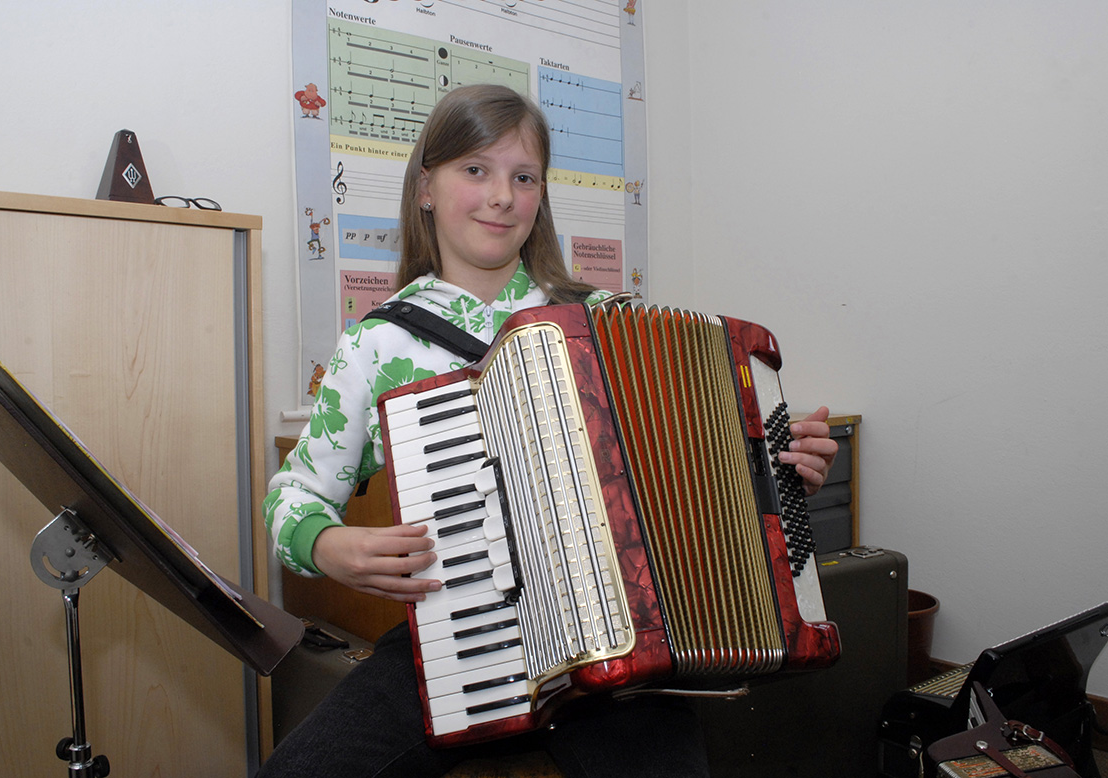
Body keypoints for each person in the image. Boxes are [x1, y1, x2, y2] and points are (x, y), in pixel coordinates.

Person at [259, 84, 838, 778]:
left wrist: (780, 469)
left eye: (524, 177)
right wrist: (326, 545)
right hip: (455, 639)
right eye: (476, 169)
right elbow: (293, 496)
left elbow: (695, 464)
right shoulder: (376, 344)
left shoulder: (604, 320)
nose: (502, 196)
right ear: (426, 188)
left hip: (623, 646)